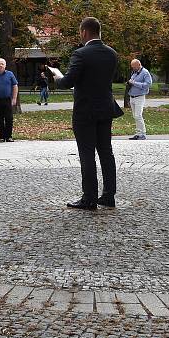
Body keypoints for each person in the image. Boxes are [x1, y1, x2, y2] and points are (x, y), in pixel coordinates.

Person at [52, 17, 119, 210]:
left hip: (85, 111)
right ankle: (108, 195)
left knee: (87, 154)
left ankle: (89, 198)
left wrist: (57, 77)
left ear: (84, 32)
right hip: (106, 108)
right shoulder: (112, 54)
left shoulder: (80, 54)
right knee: (106, 152)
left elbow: (68, 82)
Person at [0, 58, 18, 143]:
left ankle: (9, 136)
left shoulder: (10, 74)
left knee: (9, 118)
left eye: (2, 64)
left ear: (5, 65)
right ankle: (2, 136)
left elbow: (15, 86)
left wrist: (14, 98)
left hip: (8, 99)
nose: (1, 65)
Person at [128, 59, 152, 140]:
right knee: (135, 116)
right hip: (132, 96)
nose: (133, 68)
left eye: (134, 67)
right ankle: (138, 133)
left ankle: (142, 134)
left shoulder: (145, 72)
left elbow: (148, 84)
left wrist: (134, 83)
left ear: (139, 64)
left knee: (138, 115)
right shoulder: (135, 72)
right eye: (132, 67)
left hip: (139, 97)